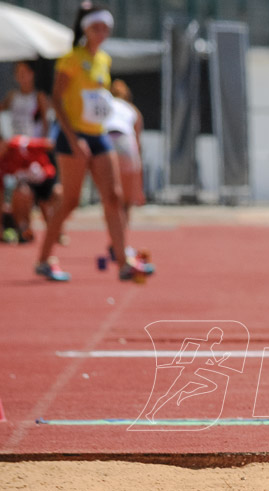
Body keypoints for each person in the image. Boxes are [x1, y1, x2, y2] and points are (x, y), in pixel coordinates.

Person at [37, 2, 153, 282]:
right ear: (86, 29)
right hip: (73, 134)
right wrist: (74, 138)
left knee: (113, 196)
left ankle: (123, 260)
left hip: (98, 134)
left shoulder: (103, 60)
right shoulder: (72, 59)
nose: (102, 33)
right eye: (96, 27)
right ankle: (43, 259)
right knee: (70, 201)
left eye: (106, 28)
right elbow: (57, 99)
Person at [0, 134, 62, 244]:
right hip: (29, 185)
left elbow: (49, 144)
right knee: (21, 193)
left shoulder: (18, 144)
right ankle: (24, 230)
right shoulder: (2, 164)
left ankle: (58, 231)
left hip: (45, 178)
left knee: (56, 196)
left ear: (3, 143)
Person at [105, 80, 145, 226]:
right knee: (126, 201)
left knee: (110, 198)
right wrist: (140, 187)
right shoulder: (132, 109)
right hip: (125, 142)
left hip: (106, 141)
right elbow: (137, 143)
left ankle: (114, 238)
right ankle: (121, 242)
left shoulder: (106, 105)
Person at [1, 61, 50, 139]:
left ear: (32, 73)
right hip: (15, 143)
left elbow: (46, 122)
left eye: (23, 72)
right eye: (18, 72)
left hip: (34, 142)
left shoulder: (39, 96)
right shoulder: (12, 96)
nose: (21, 76)